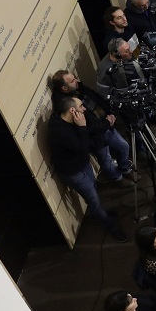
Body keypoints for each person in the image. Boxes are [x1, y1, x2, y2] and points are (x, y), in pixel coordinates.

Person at [47, 96, 128, 242]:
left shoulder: (68, 121)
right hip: (75, 173)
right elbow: (82, 148)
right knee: (93, 200)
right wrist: (82, 127)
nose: (84, 108)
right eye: (80, 106)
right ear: (72, 110)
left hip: (83, 165)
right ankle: (112, 226)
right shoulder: (61, 132)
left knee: (94, 193)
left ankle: (100, 213)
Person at [49, 69, 134, 183]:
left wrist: (110, 113)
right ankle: (117, 178)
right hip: (95, 137)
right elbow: (85, 127)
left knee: (123, 146)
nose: (76, 81)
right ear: (64, 88)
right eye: (72, 80)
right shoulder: (64, 105)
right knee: (106, 160)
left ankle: (124, 169)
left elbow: (95, 97)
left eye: (74, 78)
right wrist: (106, 123)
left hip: (105, 124)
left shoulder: (77, 87)